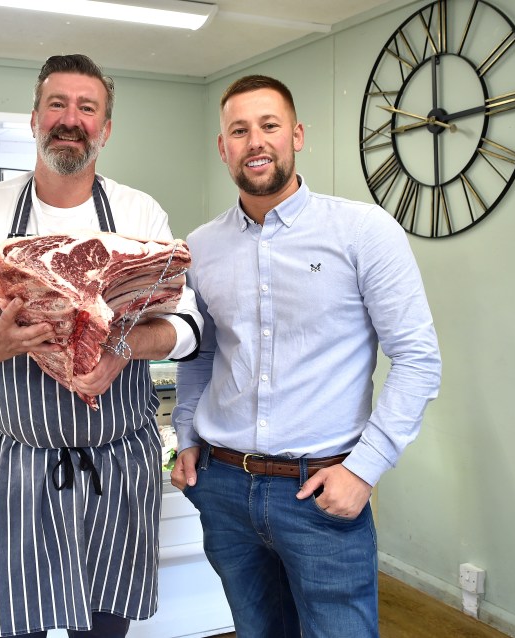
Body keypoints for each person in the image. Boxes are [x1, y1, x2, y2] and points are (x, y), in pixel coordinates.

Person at [0, 54, 202, 638]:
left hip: (118, 460)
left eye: (87, 108)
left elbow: (187, 330)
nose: (70, 119)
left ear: (105, 128)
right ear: (34, 119)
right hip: (21, 463)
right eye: (57, 104)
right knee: (15, 624)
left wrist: (123, 346)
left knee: (104, 627)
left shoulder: (137, 213)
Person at [171, 74, 441, 637]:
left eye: (269, 126)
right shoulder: (200, 247)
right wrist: (187, 436)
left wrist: (364, 470)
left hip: (320, 491)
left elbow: (417, 358)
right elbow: (201, 352)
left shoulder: (363, 231)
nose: (255, 142)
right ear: (223, 148)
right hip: (223, 487)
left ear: (296, 135)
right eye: (239, 131)